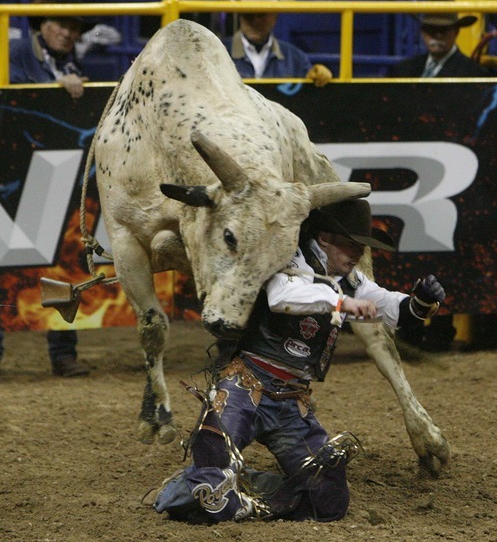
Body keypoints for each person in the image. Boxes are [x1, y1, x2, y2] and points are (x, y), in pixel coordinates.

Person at [142, 199, 446, 523]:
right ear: (325, 238)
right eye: (351, 245)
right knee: (213, 462)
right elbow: (283, 297)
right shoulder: (288, 258)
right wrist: (342, 303)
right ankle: (187, 488)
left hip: (292, 404)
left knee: (329, 501)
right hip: (247, 387)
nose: (357, 254)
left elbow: (393, 310)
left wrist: (421, 302)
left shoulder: (350, 280)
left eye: (361, 247)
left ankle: (247, 496)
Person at [6, 0, 94, 377]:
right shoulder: (15, 54)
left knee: (60, 261)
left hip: (46, 172)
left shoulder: (66, 60)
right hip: (12, 171)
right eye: (61, 24)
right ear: (43, 24)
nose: (67, 33)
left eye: (73, 27)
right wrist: (53, 92)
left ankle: (63, 351)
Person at [224, 0, 333, 85]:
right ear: (240, 15)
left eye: (262, 15)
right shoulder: (218, 52)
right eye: (249, 14)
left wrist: (318, 76)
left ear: (275, 16)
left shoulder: (295, 59)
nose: (255, 22)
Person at [388, 7, 490, 78]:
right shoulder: (403, 70)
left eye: (443, 30)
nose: (438, 35)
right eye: (431, 29)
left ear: (456, 32)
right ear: (422, 32)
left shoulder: (473, 74)